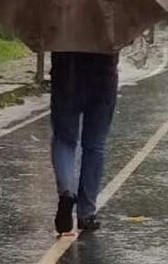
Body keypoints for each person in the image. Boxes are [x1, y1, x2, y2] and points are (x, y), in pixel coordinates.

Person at [50, 50, 120, 235]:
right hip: (103, 73)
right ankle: (86, 213)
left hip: (66, 71)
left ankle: (67, 193)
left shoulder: (62, 18)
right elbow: (125, 36)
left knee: (64, 139)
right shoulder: (110, 19)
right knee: (95, 145)